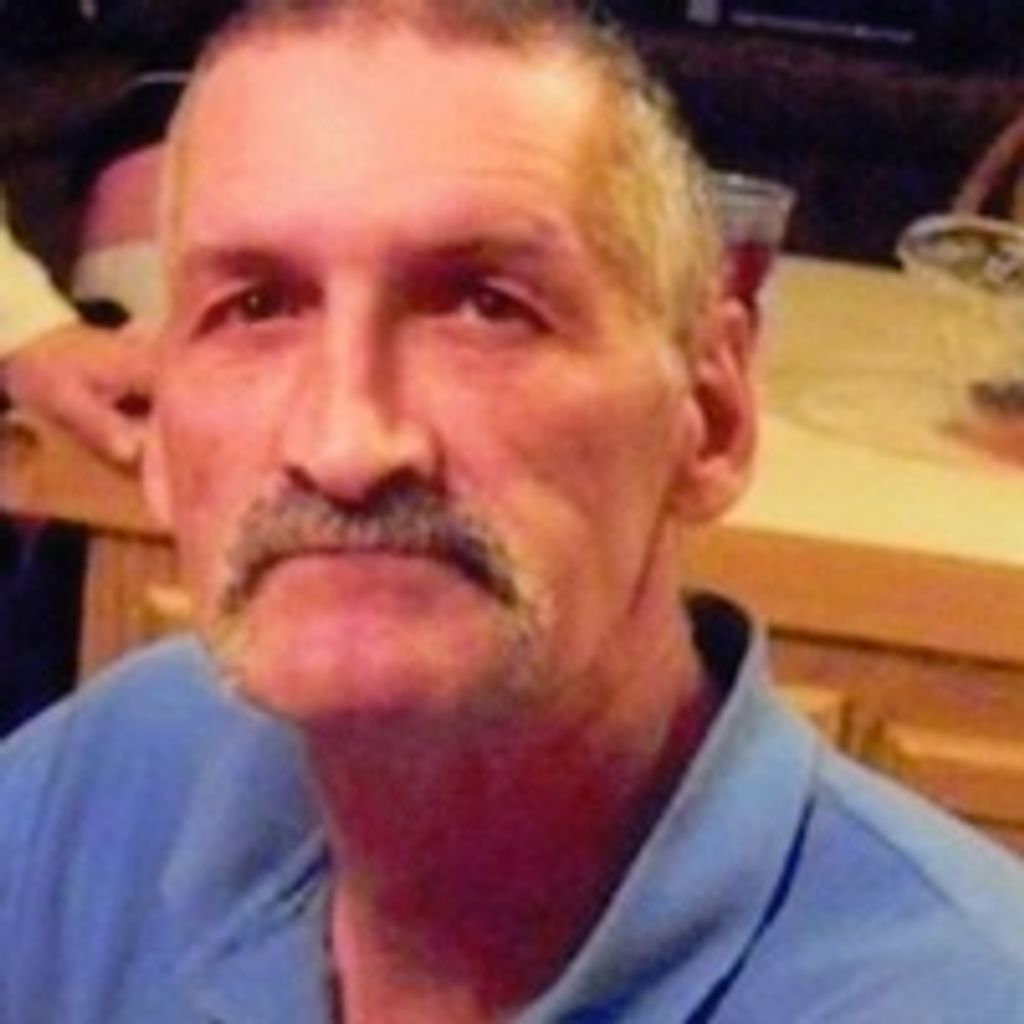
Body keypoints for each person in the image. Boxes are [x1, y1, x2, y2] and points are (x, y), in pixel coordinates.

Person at [2, 2, 1024, 1021]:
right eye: (256, 309)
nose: (345, 445)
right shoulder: (112, 783)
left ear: (708, 419)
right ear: (164, 436)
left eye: (486, 307)